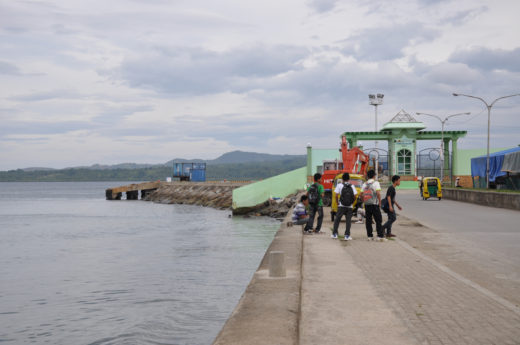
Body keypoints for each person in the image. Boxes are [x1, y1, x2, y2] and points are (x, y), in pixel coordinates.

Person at [331, 173, 357, 240]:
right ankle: (347, 235)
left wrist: (337, 203)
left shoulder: (339, 185)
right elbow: (355, 196)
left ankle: (335, 234)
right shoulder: (352, 186)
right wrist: (352, 203)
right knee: (348, 221)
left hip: (341, 206)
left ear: (342, 179)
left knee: (337, 220)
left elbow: (336, 195)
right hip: (349, 207)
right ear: (349, 179)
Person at [361, 169, 385, 241]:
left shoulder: (364, 184)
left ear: (367, 176)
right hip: (375, 204)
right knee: (378, 220)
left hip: (367, 204)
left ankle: (370, 236)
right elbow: (378, 193)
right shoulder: (376, 183)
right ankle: (379, 236)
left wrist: (364, 201)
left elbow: (361, 194)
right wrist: (380, 202)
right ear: (374, 176)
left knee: (368, 220)